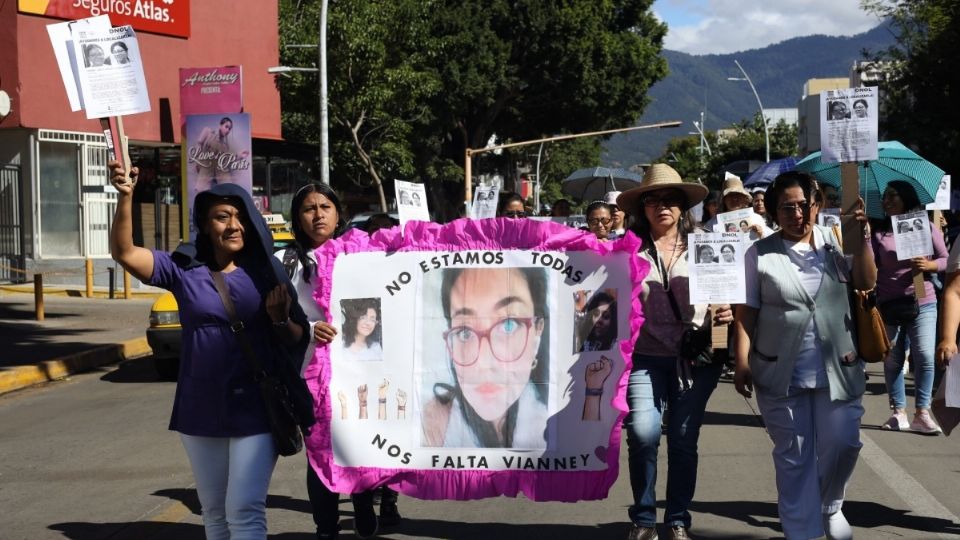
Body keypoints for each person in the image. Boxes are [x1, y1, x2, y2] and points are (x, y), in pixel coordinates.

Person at [108, 161, 314, 539]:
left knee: (244, 509)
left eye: (240, 217)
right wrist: (125, 197)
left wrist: (281, 319)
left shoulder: (267, 271)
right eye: (222, 217)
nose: (233, 225)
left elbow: (297, 337)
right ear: (205, 225)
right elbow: (124, 252)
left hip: (256, 408)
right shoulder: (183, 268)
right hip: (199, 407)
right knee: (214, 513)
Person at [734, 171, 877, 540]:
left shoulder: (837, 240)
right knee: (794, 457)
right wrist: (741, 360)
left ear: (817, 205)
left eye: (803, 205)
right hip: (780, 371)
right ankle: (802, 533)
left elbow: (866, 282)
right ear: (772, 211)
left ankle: (829, 505)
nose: (797, 214)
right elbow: (746, 312)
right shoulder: (758, 254)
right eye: (786, 208)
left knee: (843, 444)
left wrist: (861, 239)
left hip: (839, 367)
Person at [616, 163, 733, 540]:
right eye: (653, 199)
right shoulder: (626, 250)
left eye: (671, 199)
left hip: (695, 360)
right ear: (642, 207)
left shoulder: (707, 244)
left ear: (683, 206)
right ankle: (644, 519)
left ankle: (678, 519)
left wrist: (725, 315)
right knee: (643, 433)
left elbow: (726, 297)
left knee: (683, 440)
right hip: (643, 357)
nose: (662, 206)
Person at [279, 183, 382, 538]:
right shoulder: (284, 262)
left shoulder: (362, 253)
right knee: (321, 452)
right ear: (297, 218)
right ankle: (326, 527)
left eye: (325, 207)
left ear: (338, 214)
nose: (318, 215)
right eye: (309, 209)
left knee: (357, 444)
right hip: (309, 375)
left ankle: (365, 509)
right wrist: (310, 329)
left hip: (358, 371)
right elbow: (274, 316)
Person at [421, 267, 550, 448]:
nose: (483, 362)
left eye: (508, 324)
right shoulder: (432, 427)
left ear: (538, 329)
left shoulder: (558, 418)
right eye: (465, 332)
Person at [871, 182, 946, 434]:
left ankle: (922, 413)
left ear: (906, 198)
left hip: (923, 299)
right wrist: (861, 234)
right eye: (884, 196)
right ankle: (898, 412)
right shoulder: (878, 232)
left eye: (892, 195)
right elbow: (869, 265)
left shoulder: (925, 226)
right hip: (888, 303)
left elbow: (946, 259)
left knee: (924, 355)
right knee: (892, 358)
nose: (886, 200)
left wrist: (930, 266)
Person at [193, 117, 249, 194]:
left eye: (229, 129)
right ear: (220, 125)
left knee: (228, 191)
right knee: (201, 195)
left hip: (219, 177)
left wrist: (239, 156)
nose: (228, 130)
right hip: (206, 174)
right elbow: (199, 144)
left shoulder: (225, 146)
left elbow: (226, 161)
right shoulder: (208, 132)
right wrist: (197, 163)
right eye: (226, 127)